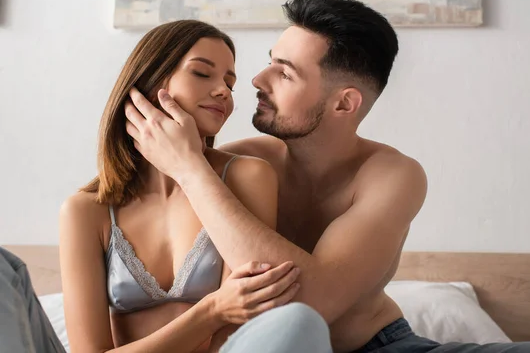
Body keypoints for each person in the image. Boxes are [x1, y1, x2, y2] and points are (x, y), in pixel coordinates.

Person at [125, 0, 530, 352]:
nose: (255, 80)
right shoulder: (241, 163)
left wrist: (191, 169)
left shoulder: (392, 176)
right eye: (270, 63)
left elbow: (309, 304)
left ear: (344, 103)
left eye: (284, 73)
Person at [0, 19, 324, 353]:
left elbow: (240, 332)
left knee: (300, 321)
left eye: (230, 82)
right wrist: (212, 310)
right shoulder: (87, 211)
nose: (223, 91)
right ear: (150, 80)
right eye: (202, 73)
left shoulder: (247, 176)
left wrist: (189, 166)